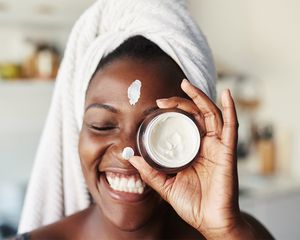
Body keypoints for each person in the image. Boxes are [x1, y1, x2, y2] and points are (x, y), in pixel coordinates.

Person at [16, 1, 274, 239]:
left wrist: (225, 232)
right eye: (102, 125)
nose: (129, 152)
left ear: (198, 134)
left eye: (156, 130)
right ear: (77, 130)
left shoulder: (242, 234)